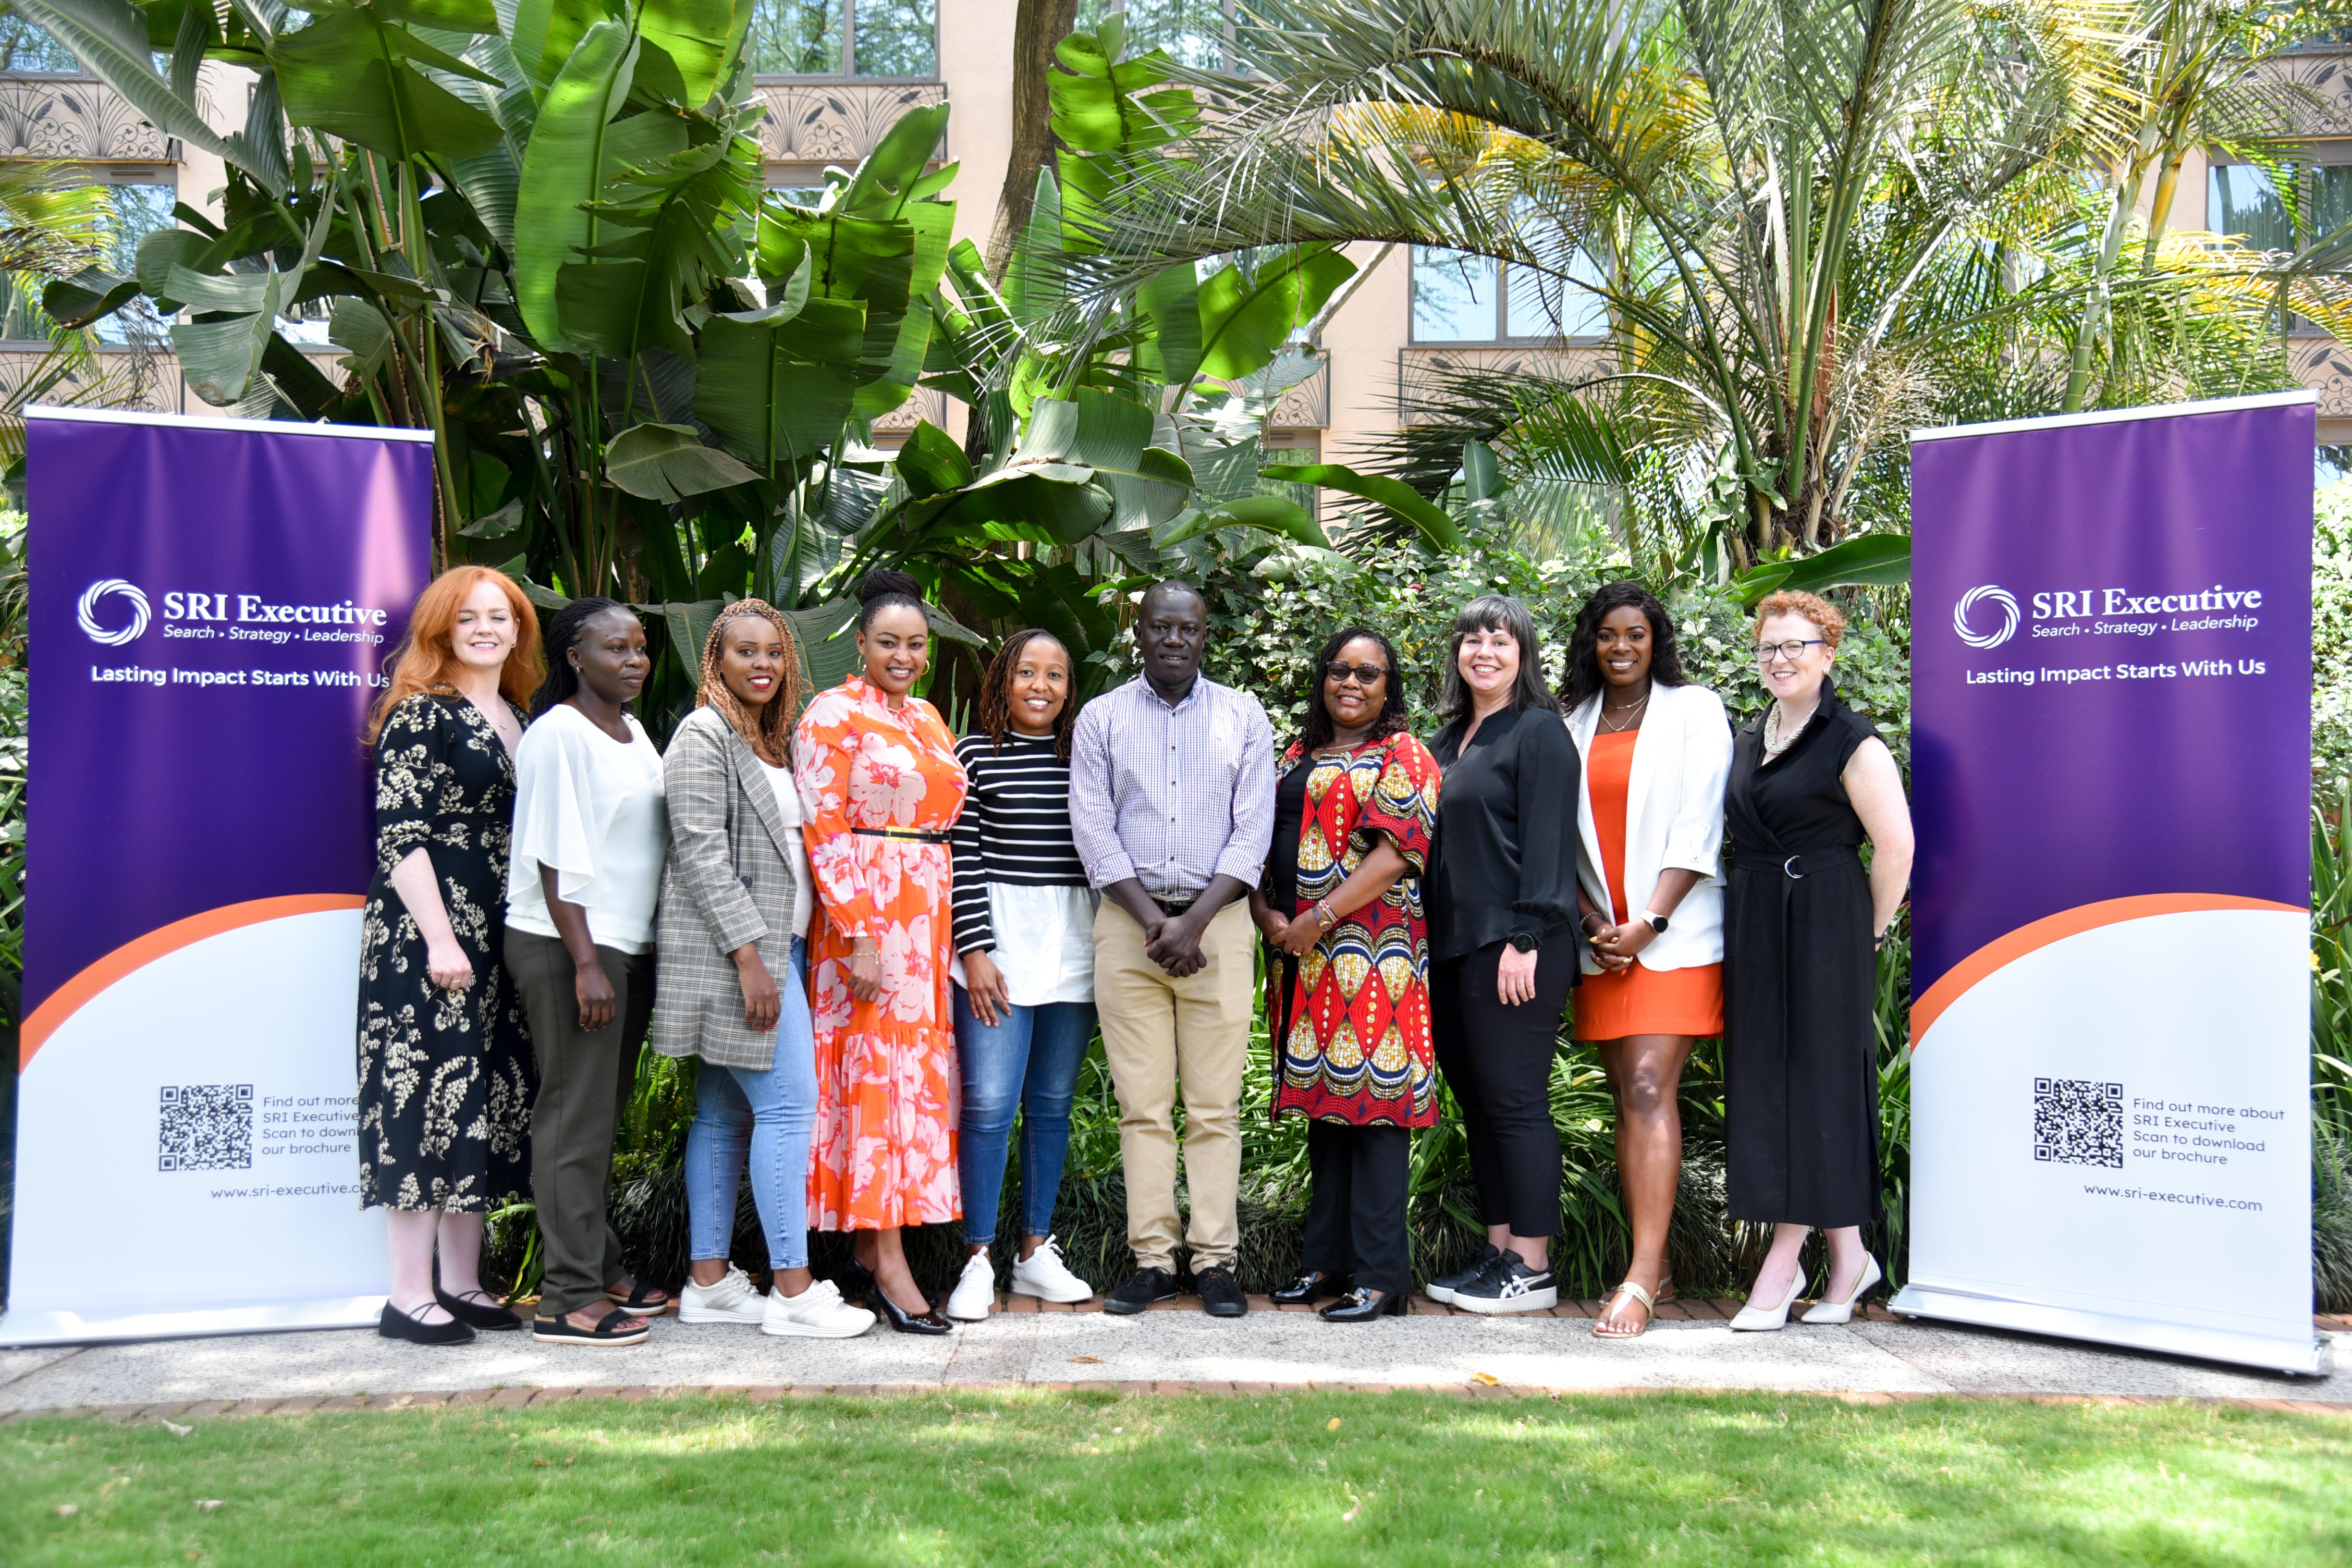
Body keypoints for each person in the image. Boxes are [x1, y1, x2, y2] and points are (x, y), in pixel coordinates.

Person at [654, 602, 876, 1340]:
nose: (762, 665)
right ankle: (792, 1291)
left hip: (780, 949)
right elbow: (700, 852)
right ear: (715, 659)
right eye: (745, 652)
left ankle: (709, 1285)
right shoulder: (703, 734)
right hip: (742, 956)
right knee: (788, 1107)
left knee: (722, 1117)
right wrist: (752, 958)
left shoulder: (767, 739)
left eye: (774, 653)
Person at [1070, 580, 1275, 1318]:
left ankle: (1216, 1261)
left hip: (1219, 928)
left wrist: (1194, 923)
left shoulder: (1243, 715)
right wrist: (1160, 923)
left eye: (1187, 628)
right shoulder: (1102, 718)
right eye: (1160, 627)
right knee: (1143, 1107)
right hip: (1131, 931)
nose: (1174, 639)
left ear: (1205, 635)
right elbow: (1093, 828)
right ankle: (1153, 1261)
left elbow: (1254, 828)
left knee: (1215, 1107)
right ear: (1141, 633)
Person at [358, 567, 543, 1345]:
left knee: (482, 1099)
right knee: (424, 1099)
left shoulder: (519, 716)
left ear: (518, 629)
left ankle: (462, 1283)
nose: (485, 630)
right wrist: (440, 937)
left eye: (499, 617)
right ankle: (406, 1296)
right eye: (467, 618)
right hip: (428, 937)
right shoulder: (421, 714)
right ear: (441, 629)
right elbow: (400, 835)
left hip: (500, 936)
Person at [1722, 590, 1914, 1331]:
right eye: (1769, 647)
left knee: (1815, 1083)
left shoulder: (1853, 742)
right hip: (1758, 921)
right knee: (1771, 1083)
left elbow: (1895, 847)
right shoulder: (1750, 738)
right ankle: (1851, 1258)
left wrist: (1869, 933)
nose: (1780, 659)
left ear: (1827, 654)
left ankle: (1783, 1260)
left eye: (1796, 646)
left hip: (1827, 924)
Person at [794, 569, 970, 1335]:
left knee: (910, 1082)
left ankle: (874, 1243)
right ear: (861, 644)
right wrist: (861, 933)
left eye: (917, 644)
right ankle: (889, 1262)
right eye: (889, 642)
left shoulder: (929, 718)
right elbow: (823, 827)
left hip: (925, 918)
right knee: (874, 1081)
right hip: (865, 918)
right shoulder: (831, 714)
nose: (904, 656)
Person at [1251, 627, 1441, 1323]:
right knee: (1325, 1112)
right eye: (1340, 670)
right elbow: (1263, 838)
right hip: (1302, 958)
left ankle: (1382, 1276)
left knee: (1376, 1111)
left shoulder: (1404, 753)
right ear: (1322, 678)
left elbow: (1395, 855)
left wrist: (1317, 918)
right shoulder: (1296, 753)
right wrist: (1267, 913)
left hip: (1375, 956)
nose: (1352, 683)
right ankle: (1327, 1262)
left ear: (1389, 687)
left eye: (1369, 673)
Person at [1559, 581, 1733, 1339]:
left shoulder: (1695, 710)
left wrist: (1650, 922)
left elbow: (1701, 821)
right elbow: (1558, 841)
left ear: (1656, 639)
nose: (1621, 647)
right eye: (1608, 635)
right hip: (1604, 945)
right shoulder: (1571, 725)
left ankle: (1640, 1277)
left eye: (1635, 633)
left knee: (1647, 1084)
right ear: (1591, 644)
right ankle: (1652, 1266)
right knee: (1627, 1098)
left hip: (1677, 935)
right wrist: (1596, 923)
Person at [505, 597, 671, 1347]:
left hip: (620, 944)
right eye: (615, 648)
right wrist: (584, 962)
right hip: (570, 944)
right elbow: (553, 854)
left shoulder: (633, 732)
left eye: (639, 647)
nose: (634, 661)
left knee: (597, 1117)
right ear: (575, 657)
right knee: (574, 1119)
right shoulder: (558, 733)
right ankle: (566, 1298)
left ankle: (598, 1265)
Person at [1423, 594, 1581, 1315]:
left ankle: (1534, 1267)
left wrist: (1526, 938)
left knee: (1516, 1104)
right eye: (1473, 639)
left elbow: (1549, 842)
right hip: (1453, 949)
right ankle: (1499, 1253)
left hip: (1516, 945)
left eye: (1500, 640)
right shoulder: (1446, 740)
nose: (1484, 652)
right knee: (1482, 1106)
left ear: (1524, 654)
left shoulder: (1539, 730)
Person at [940, 630, 1101, 1320]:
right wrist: (975, 950)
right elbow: (962, 856)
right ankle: (977, 1257)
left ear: (1070, 687)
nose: (1041, 686)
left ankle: (1034, 1253)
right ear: (1003, 680)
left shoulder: (1085, 757)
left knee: (1052, 1103)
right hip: (1000, 945)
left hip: (1075, 944)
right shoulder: (974, 753)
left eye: (1055, 675)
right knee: (988, 1104)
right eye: (1027, 672)